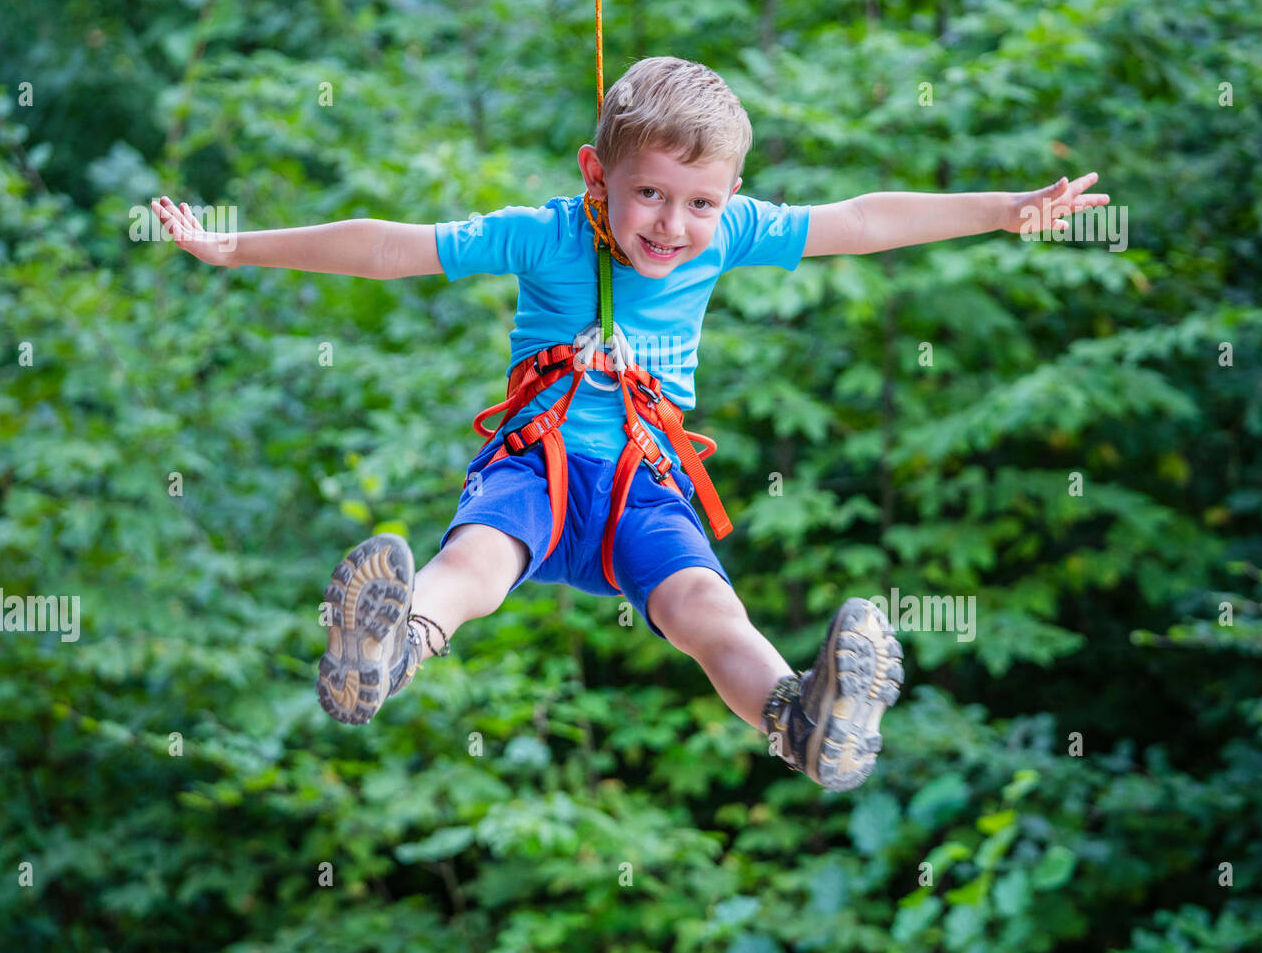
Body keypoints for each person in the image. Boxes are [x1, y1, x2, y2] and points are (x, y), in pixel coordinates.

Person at [151, 55, 1108, 791]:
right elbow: (390, 247)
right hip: (539, 465)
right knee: (476, 562)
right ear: (595, 173)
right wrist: (236, 246)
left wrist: (1002, 212)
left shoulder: (727, 235)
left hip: (647, 487)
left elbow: (859, 219)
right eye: (648, 192)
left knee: (706, 610)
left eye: (701, 203)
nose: (673, 224)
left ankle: (801, 719)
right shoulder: (545, 232)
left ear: (728, 200)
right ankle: (388, 650)